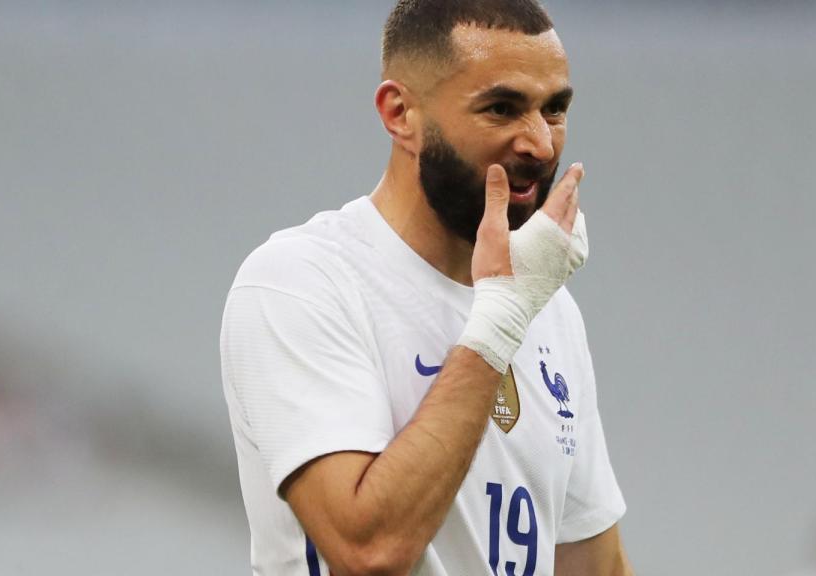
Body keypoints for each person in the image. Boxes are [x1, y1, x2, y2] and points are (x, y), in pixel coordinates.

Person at [220, 1, 631, 574]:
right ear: (400, 113)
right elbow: (370, 551)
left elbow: (594, 565)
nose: (540, 143)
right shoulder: (301, 283)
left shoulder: (549, 309)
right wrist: (504, 313)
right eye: (502, 108)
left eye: (555, 109)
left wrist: (517, 304)